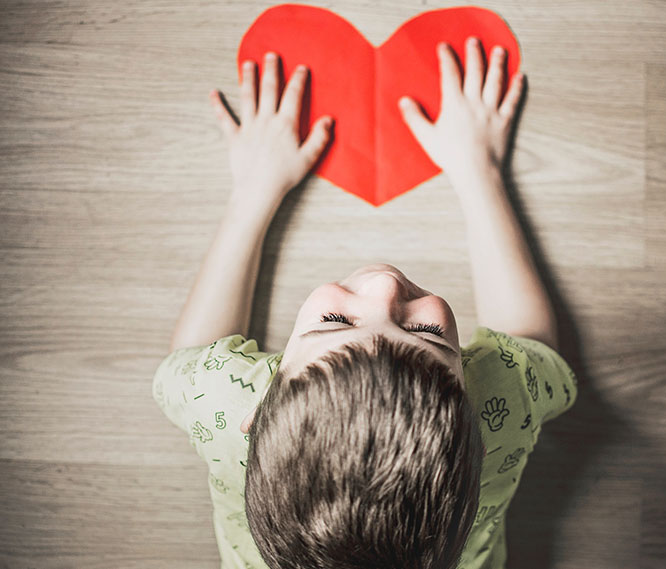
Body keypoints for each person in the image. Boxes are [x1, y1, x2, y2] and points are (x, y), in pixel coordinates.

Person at [152, 37, 578, 569]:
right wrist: (479, 170)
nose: (385, 285)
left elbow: (188, 357)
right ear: (476, 417)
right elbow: (533, 345)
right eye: (426, 335)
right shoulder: (500, 405)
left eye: (335, 322)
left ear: (255, 411)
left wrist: (253, 191)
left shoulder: (223, 402)